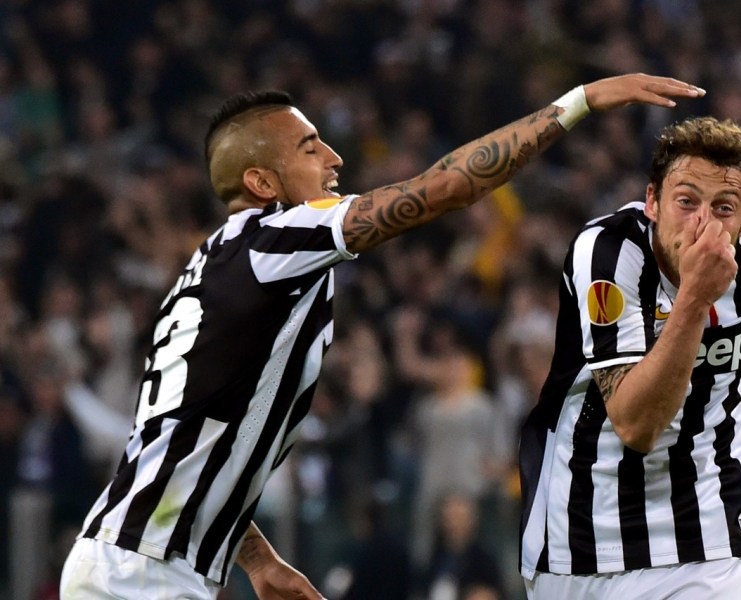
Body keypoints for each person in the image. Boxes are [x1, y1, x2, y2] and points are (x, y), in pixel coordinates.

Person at [58, 73, 705, 599]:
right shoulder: (274, 238)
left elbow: (189, 443)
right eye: (309, 148)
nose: (334, 158)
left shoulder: (220, 269)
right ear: (261, 183)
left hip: (140, 563)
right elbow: (445, 188)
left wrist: (256, 558)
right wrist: (579, 101)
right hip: (143, 575)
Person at [519, 116, 741, 599]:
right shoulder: (608, 255)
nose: (704, 223)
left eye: (724, 208)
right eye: (686, 201)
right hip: (584, 531)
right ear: (652, 201)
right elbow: (636, 426)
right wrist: (695, 296)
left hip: (706, 520)